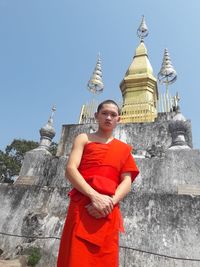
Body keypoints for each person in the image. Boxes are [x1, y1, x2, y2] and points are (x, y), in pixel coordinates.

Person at [57, 99, 139, 267]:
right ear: (96, 116)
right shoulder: (84, 138)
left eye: (113, 114)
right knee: (74, 258)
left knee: (104, 260)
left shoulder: (123, 149)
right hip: (82, 206)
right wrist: (94, 196)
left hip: (108, 210)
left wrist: (109, 202)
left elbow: (127, 181)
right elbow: (71, 169)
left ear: (119, 119)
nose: (108, 117)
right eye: (104, 113)